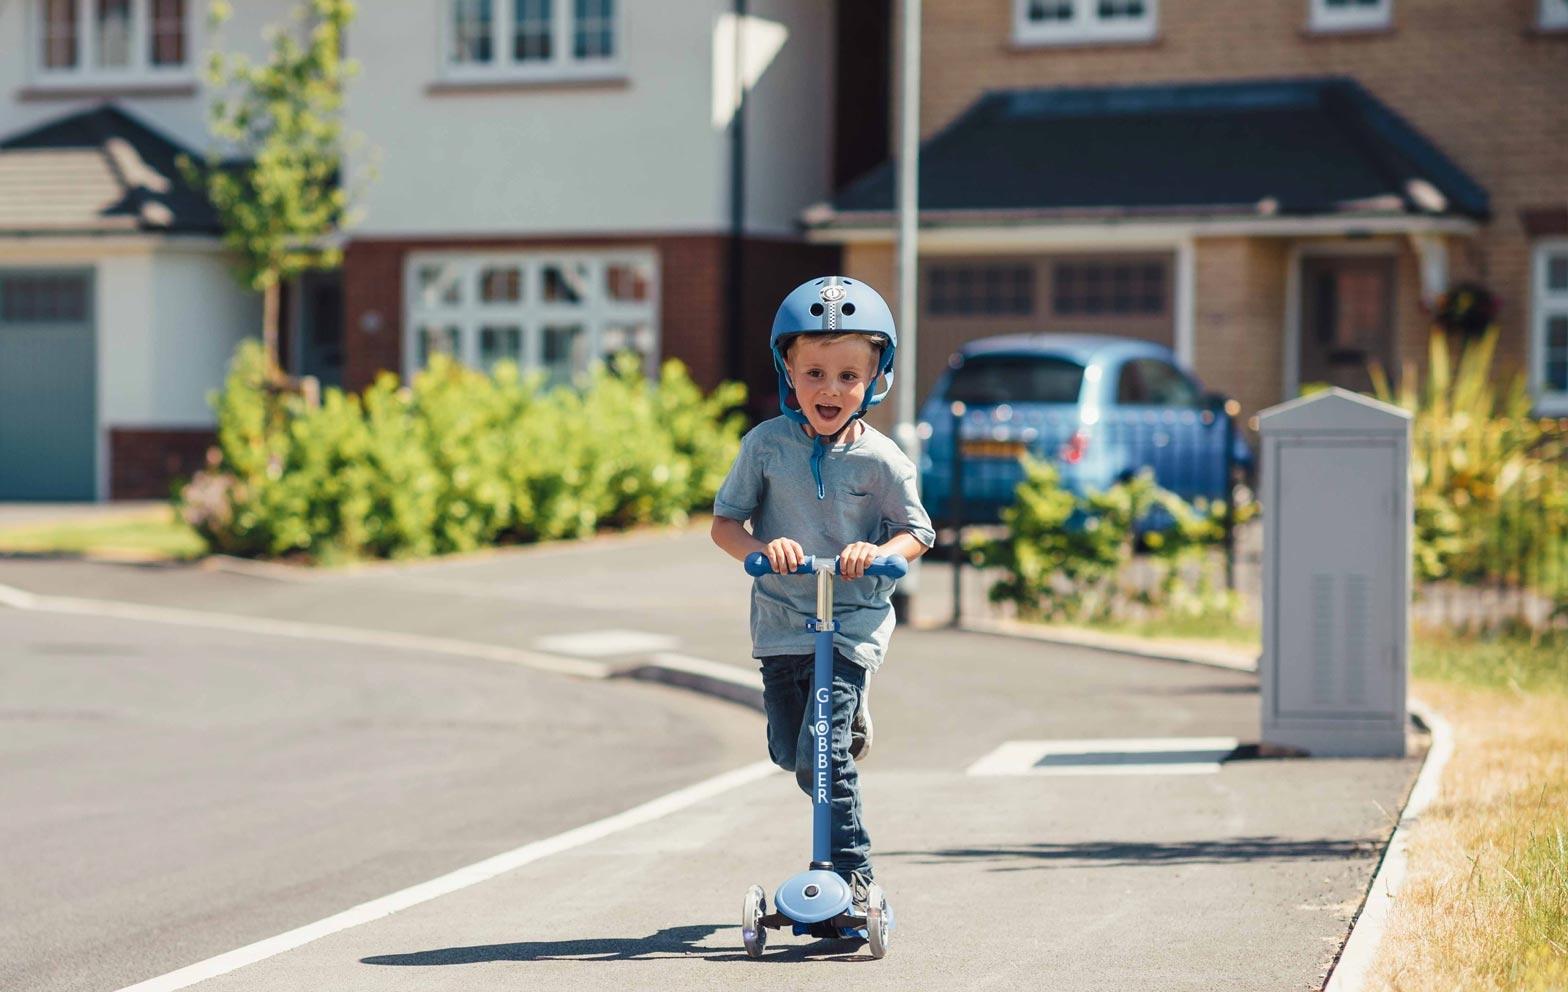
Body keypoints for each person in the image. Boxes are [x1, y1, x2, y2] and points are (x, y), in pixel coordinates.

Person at [710, 275, 933, 923]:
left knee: (823, 750)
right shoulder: (765, 448)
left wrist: (881, 555)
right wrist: (758, 550)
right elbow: (726, 524)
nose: (829, 390)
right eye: (814, 373)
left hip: (853, 619)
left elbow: (918, 533)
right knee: (792, 750)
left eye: (847, 377)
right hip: (782, 618)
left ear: (874, 379)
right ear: (788, 370)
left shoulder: (882, 461)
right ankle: (846, 736)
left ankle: (850, 874)